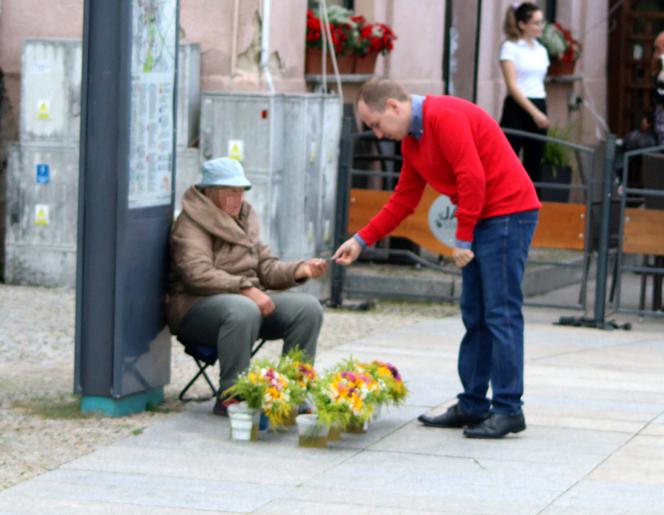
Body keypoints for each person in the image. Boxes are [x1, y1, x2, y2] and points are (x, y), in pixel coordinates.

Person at [332, 78, 541, 438]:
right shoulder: (413, 139)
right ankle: (474, 404)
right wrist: (361, 239)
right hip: (485, 218)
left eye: (377, 124)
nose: (378, 135)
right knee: (475, 314)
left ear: (394, 107)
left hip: (508, 213)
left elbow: (471, 176)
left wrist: (462, 236)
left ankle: (509, 409)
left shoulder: (443, 116)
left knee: (501, 312)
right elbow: (403, 199)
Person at [166, 157, 328, 416]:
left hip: (245, 306)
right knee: (242, 309)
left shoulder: (244, 219)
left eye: (241, 191)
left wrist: (300, 269)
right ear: (208, 191)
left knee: (307, 308)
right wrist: (246, 289)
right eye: (230, 191)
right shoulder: (190, 223)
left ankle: (293, 392)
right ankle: (233, 396)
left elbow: (266, 268)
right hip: (194, 308)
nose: (238, 197)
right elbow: (197, 274)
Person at [498, 2, 550, 189]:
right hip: (517, 106)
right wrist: (535, 113)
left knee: (534, 162)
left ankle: (532, 208)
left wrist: (540, 111)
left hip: (539, 101)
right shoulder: (510, 48)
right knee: (508, 160)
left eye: (541, 22)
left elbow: (539, 81)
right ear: (522, 24)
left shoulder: (541, 50)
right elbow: (512, 86)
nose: (540, 27)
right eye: (536, 23)